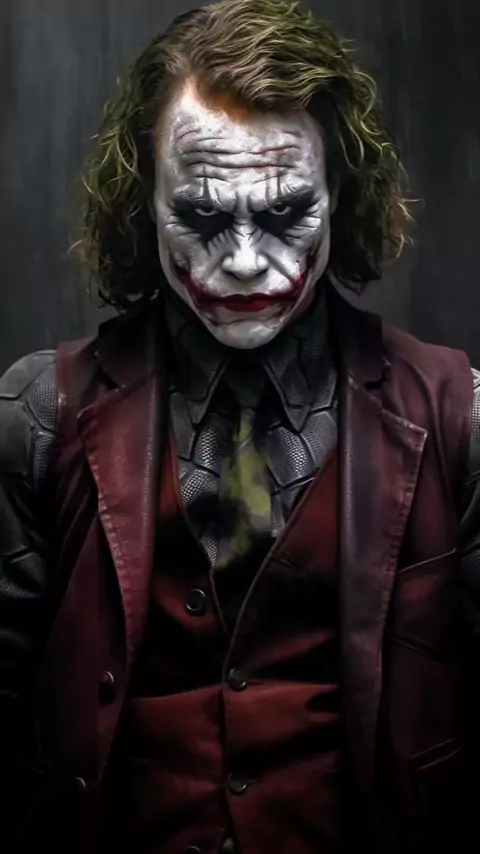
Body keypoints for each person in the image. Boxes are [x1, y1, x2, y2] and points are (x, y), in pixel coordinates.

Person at [0, 0, 479, 851]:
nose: (249, 261)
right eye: (204, 216)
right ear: (143, 201)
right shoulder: (39, 415)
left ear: (339, 194)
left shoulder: (457, 416)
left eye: (288, 213)